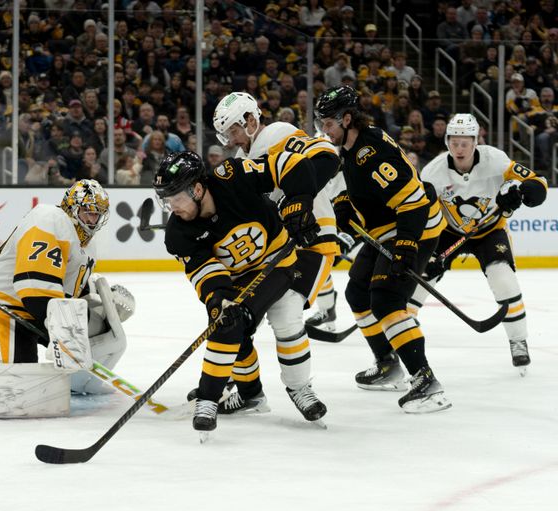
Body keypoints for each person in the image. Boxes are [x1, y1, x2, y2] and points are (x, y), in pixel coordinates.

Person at [155, 145, 336, 436]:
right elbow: (205, 271)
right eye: (166, 200)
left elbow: (291, 164)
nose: (172, 207)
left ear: (198, 189)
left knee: (286, 317)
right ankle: (239, 395)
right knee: (226, 321)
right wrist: (218, 297)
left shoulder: (232, 176)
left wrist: (300, 203)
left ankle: (298, 389)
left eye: (175, 197)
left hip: (277, 263)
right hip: (235, 278)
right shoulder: (179, 233)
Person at [314, 86, 451, 413]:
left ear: (347, 119)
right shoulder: (350, 145)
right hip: (387, 226)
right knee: (358, 295)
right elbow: (366, 187)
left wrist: (406, 247)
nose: (324, 130)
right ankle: (388, 364)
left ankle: (426, 381)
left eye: (329, 124)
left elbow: (414, 202)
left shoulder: (372, 149)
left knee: (386, 299)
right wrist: (347, 202)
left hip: (412, 226)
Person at [414, 113, 547, 373]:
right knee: (419, 282)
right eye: (454, 142)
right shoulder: (432, 173)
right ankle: (402, 343)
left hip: (489, 230)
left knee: (504, 280)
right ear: (446, 142)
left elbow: (537, 182)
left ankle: (518, 340)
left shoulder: (495, 159)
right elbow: (421, 212)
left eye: (465, 142)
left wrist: (521, 193)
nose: (459, 148)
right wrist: (425, 248)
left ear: (476, 141)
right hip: (448, 232)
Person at [0, 179, 130, 394]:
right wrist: (66, 340)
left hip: (38, 313)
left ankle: (78, 382)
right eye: (87, 212)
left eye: (97, 214)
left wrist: (106, 303)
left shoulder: (87, 246)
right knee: (13, 389)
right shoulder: (49, 219)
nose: (93, 220)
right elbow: (35, 291)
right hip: (4, 307)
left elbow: (70, 292)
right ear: (71, 208)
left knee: (95, 321)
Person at [212, 91, 344, 338]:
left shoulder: (277, 134)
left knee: (286, 311)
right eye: (227, 134)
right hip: (280, 244)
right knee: (247, 310)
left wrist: (298, 199)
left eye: (233, 131)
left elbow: (326, 155)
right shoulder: (242, 158)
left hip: (312, 235)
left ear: (251, 121)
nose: (231, 140)